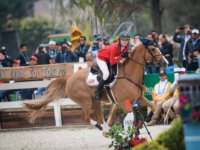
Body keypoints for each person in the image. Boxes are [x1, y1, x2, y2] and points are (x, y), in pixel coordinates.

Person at [93, 31, 130, 100]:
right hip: (102, 58)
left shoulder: (125, 47)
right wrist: (121, 57)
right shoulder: (114, 47)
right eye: (123, 40)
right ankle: (98, 92)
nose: (125, 42)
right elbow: (112, 62)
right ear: (119, 40)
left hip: (109, 58)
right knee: (106, 74)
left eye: (126, 40)